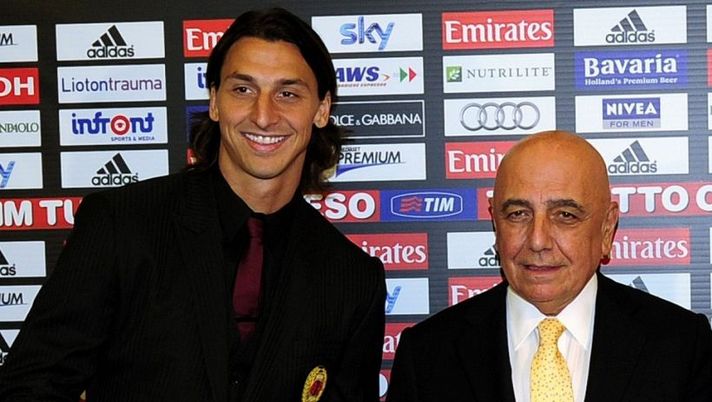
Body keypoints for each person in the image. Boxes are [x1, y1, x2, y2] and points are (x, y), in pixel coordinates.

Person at [0, 8, 385, 402]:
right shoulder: (122, 225)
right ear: (215, 101)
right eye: (243, 90)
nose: (263, 116)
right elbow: (28, 388)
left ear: (321, 109)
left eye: (287, 93)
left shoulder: (352, 278)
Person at [386, 131, 712, 402]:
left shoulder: (682, 345)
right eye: (518, 214)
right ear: (495, 224)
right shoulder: (427, 353)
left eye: (565, 215)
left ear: (606, 228)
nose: (538, 240)